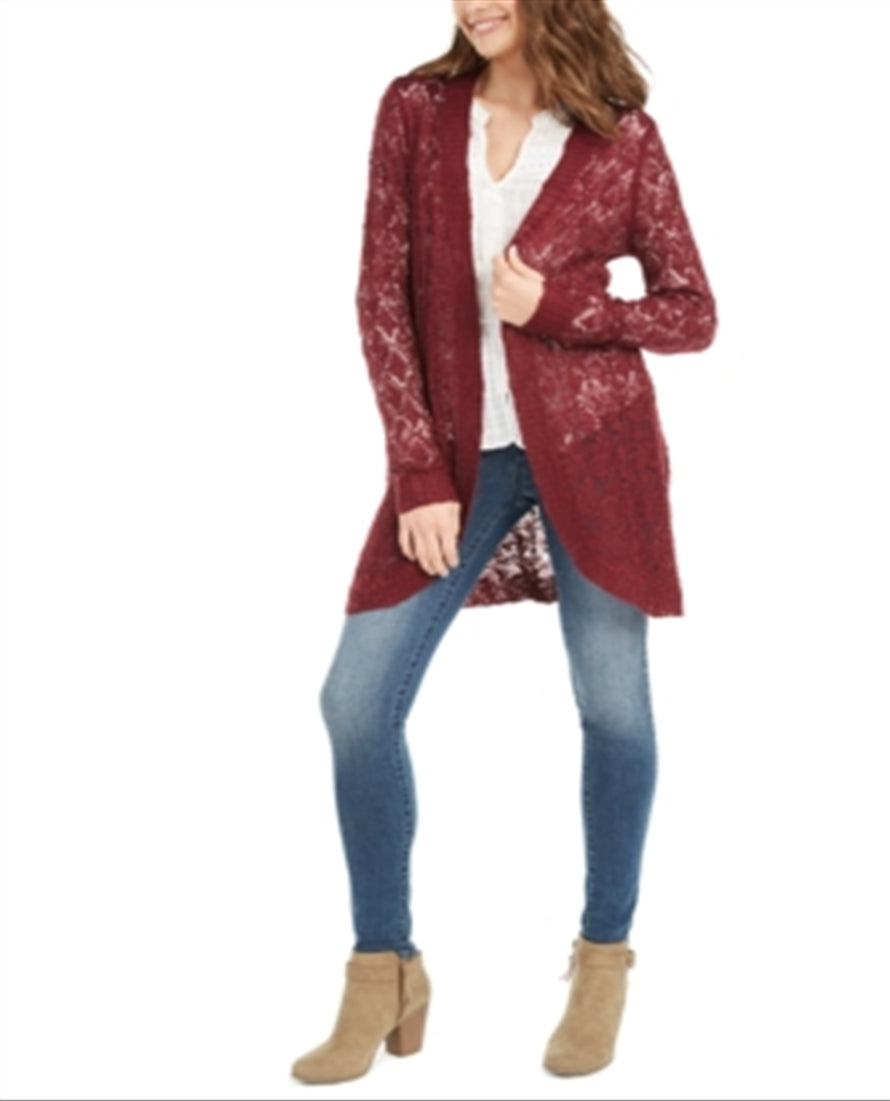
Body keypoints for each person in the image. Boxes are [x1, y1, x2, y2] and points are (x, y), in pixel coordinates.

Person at [291, 0, 716, 1084]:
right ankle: (384, 968)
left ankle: (603, 959)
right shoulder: (415, 109)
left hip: (598, 451)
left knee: (613, 707)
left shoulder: (621, 135)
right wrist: (418, 473)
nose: (474, 2)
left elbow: (691, 311)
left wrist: (563, 307)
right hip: (457, 459)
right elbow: (380, 294)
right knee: (355, 702)